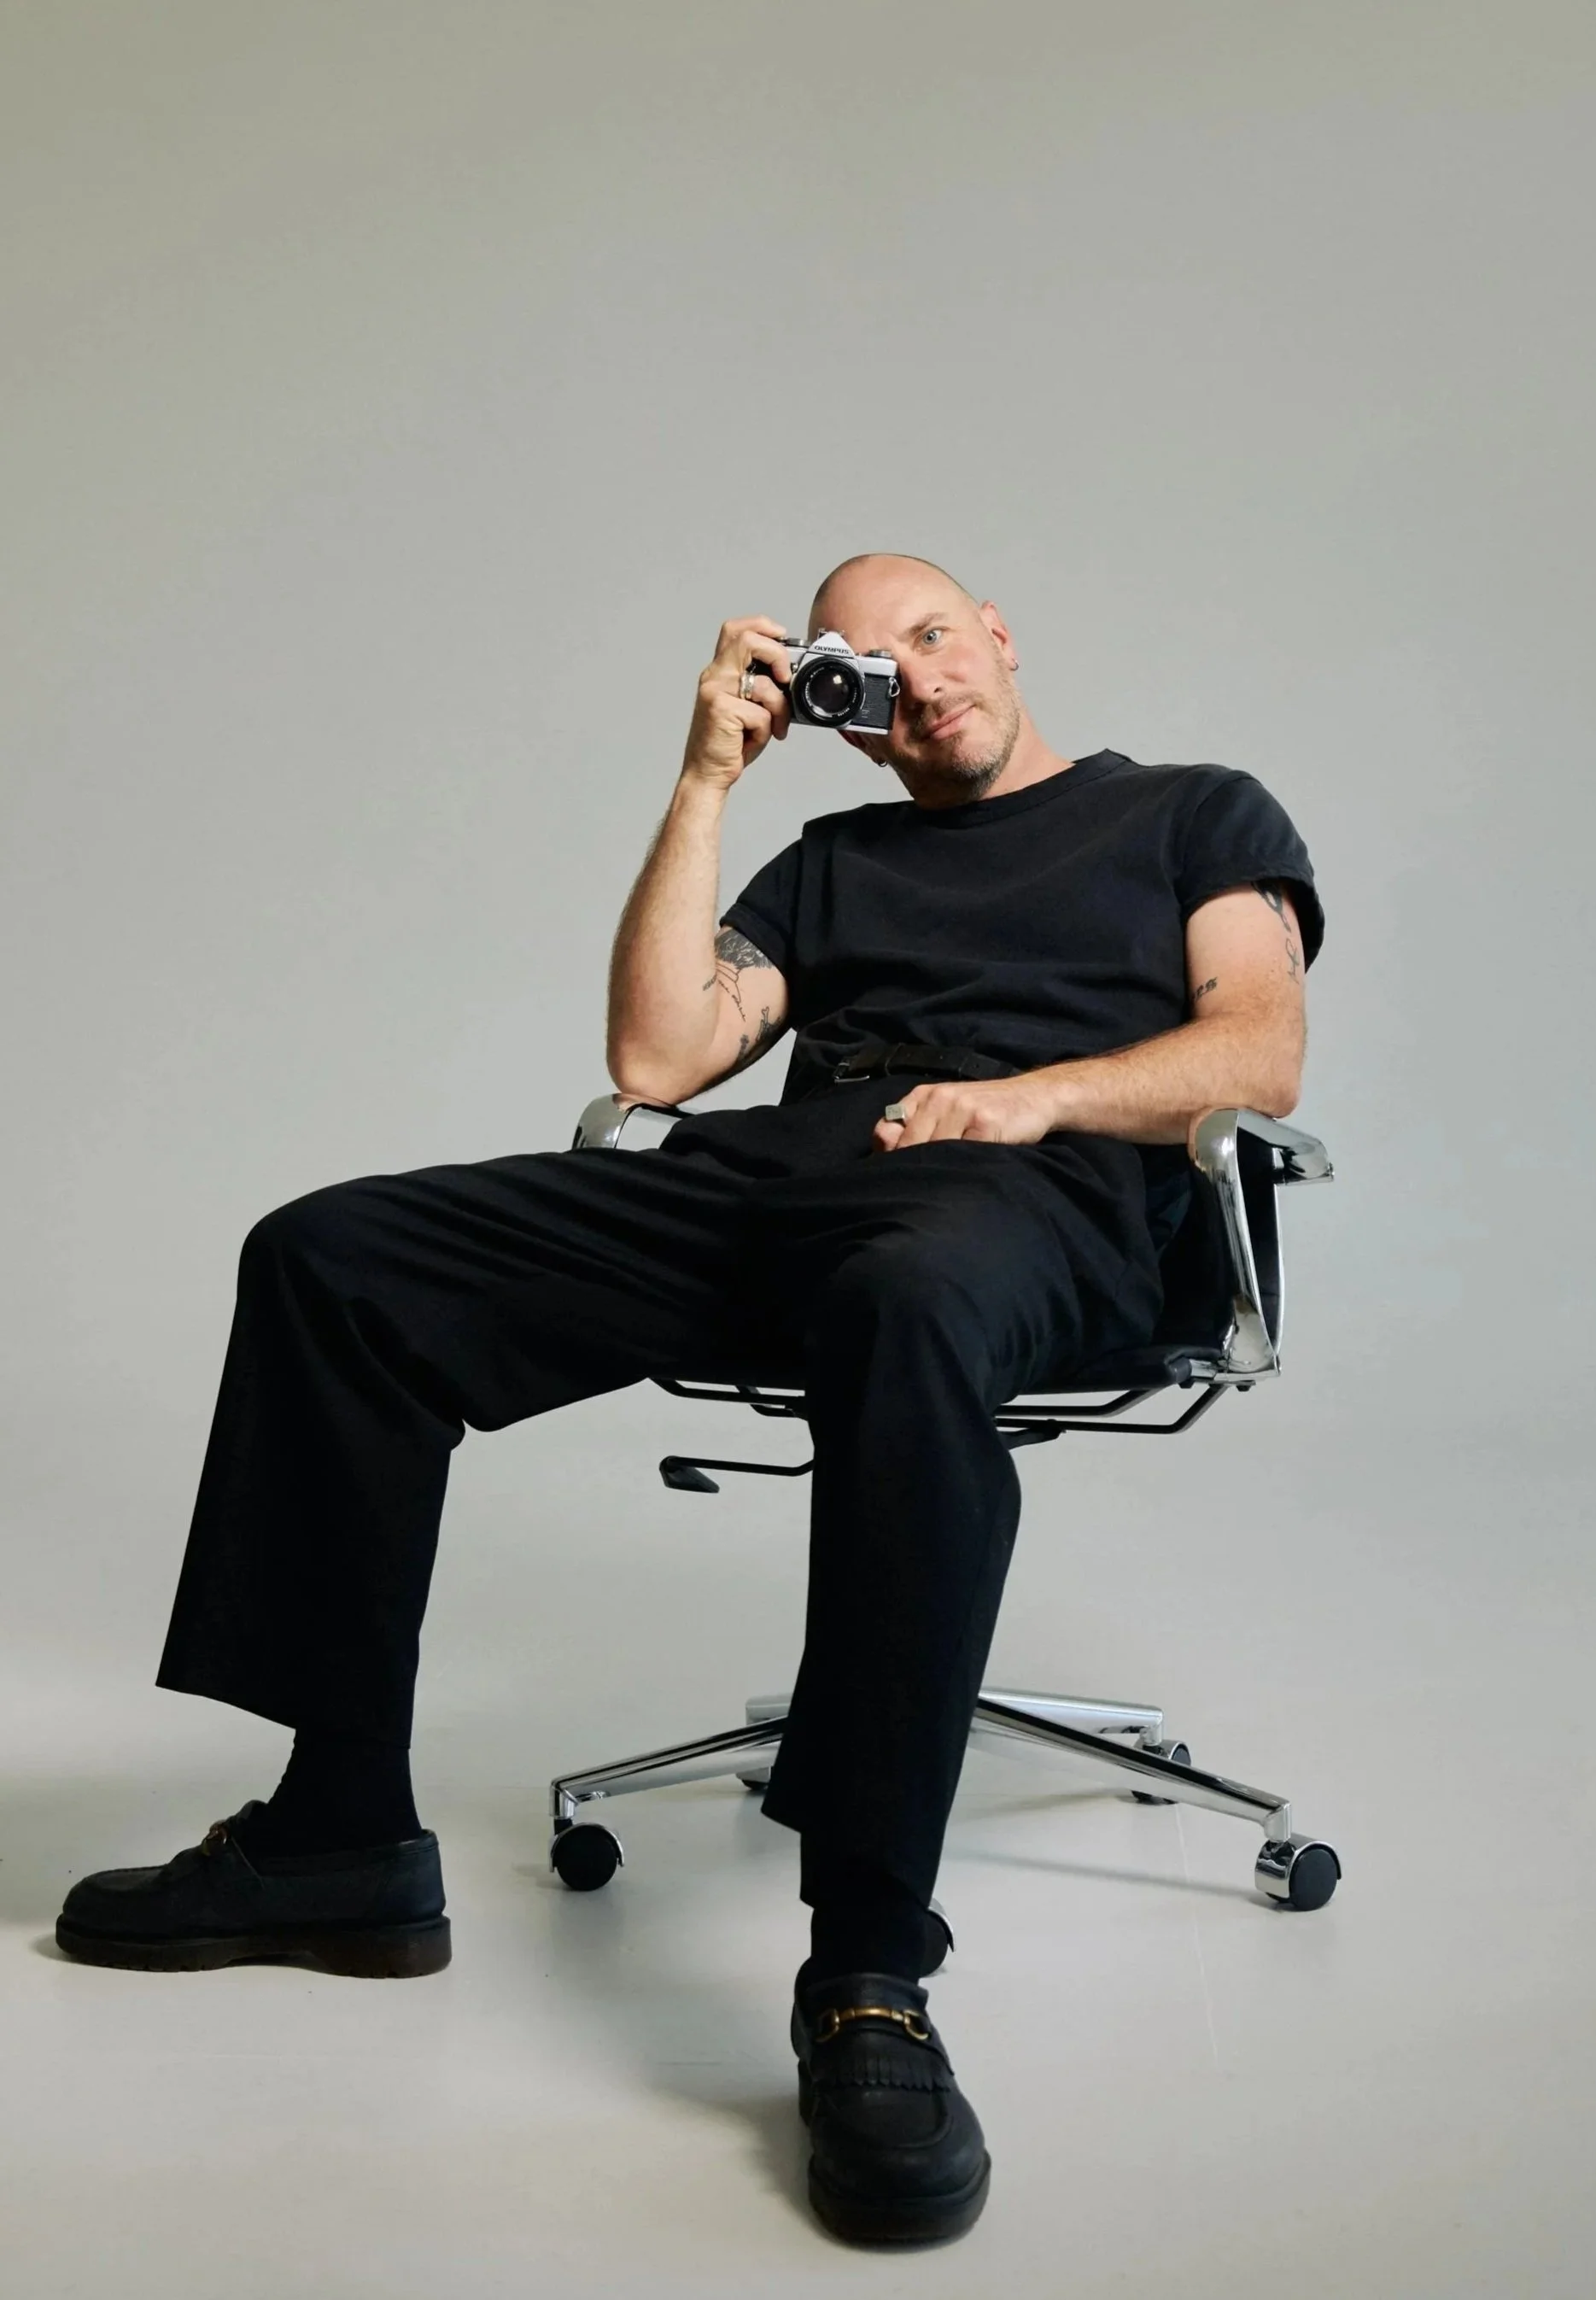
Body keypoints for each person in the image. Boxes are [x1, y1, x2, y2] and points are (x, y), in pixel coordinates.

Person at [56, 553, 1323, 2245]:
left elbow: (1257, 1052)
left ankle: (867, 1975)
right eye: (867, 667)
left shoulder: (1188, 812)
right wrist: (707, 779)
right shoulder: (836, 860)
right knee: (334, 1257)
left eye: (935, 634)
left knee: (903, 1295)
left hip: (1033, 1204)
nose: (918, 677)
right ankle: (336, 1830)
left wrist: (1032, 1100)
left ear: (1001, 634)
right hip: (783, 1183)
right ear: (834, 707)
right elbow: (657, 1062)